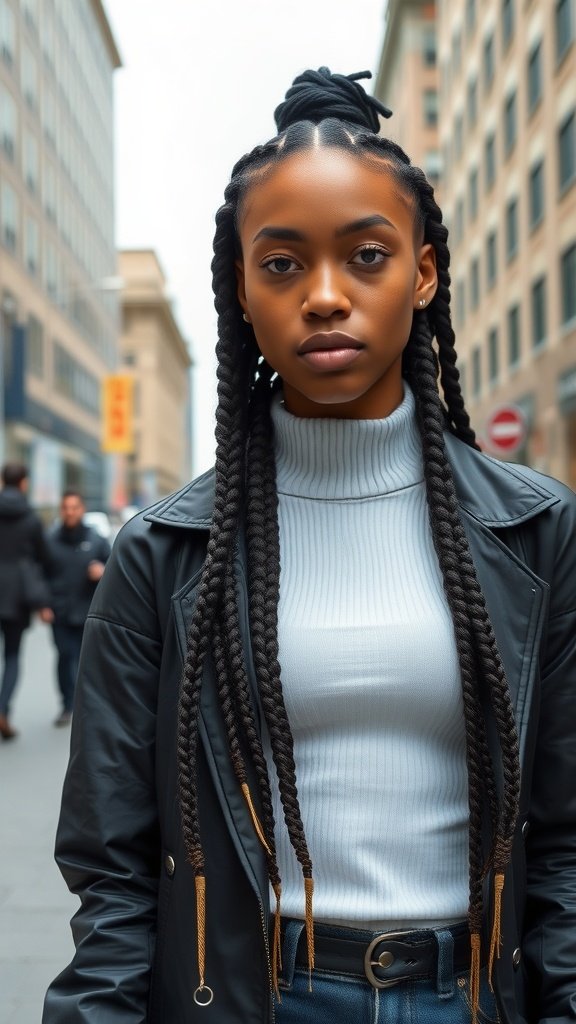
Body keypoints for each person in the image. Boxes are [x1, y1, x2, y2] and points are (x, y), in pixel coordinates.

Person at [43, 69, 575, 1024]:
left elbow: (571, 841)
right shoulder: (163, 554)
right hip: (248, 999)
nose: (325, 297)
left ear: (423, 272)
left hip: (477, 998)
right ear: (241, 288)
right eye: (282, 264)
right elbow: (112, 865)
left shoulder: (537, 533)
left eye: (366, 256)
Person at [46, 490, 110, 726]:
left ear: (82, 509)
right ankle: (66, 705)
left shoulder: (96, 539)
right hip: (60, 611)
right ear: (61, 510)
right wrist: (43, 604)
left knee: (87, 660)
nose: (70, 512)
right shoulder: (50, 540)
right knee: (64, 657)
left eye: (74, 507)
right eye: (66, 508)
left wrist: (102, 571)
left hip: (89, 611)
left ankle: (88, 706)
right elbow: (41, 573)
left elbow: (114, 567)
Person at [0, 462, 52, 739]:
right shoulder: (31, 519)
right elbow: (43, 558)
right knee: (11, 656)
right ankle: (3, 709)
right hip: (16, 597)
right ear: (23, 483)